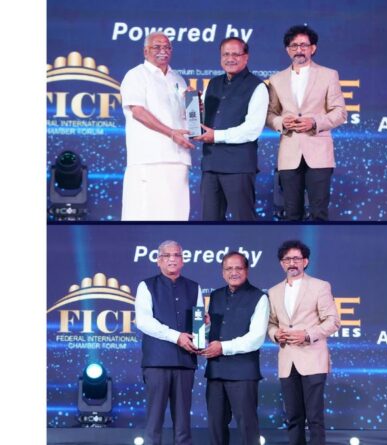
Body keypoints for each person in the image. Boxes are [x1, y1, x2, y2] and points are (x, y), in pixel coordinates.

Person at [267, 26, 347, 221]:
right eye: (294, 46)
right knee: (291, 213)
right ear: (287, 50)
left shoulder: (329, 75)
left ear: (313, 48)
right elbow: (269, 113)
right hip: (289, 152)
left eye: (303, 45)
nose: (299, 50)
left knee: (319, 212)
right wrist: (282, 122)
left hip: (318, 151)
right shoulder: (276, 79)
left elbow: (340, 112)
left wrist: (314, 122)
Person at [267, 240, 341, 445]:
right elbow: (271, 323)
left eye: (296, 259)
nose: (292, 263)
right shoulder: (273, 291)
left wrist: (307, 335)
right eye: (287, 259)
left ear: (305, 261)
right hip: (287, 361)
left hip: (312, 359)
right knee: (293, 417)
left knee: (315, 418)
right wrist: (275, 334)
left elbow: (333, 321)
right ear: (281, 263)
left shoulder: (320, 286)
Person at [134, 240, 203, 445]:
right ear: (158, 260)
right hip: (157, 363)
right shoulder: (147, 286)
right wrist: (176, 336)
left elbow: (198, 323)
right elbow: (144, 322)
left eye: (177, 255)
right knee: (154, 423)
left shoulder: (194, 287)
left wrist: (202, 333)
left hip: (185, 362)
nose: (172, 259)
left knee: (183, 425)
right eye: (167, 255)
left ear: (183, 260)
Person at [120, 32, 194, 221]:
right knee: (145, 216)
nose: (163, 51)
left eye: (167, 47)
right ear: (146, 51)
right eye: (157, 47)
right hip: (149, 159)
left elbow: (183, 117)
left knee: (177, 215)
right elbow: (138, 112)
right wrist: (171, 133)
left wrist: (194, 107)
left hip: (179, 159)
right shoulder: (136, 75)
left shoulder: (178, 79)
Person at [195, 37, 268, 221]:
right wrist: (192, 107)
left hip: (239, 167)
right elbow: (203, 121)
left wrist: (216, 136)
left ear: (246, 57)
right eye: (225, 54)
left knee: (243, 221)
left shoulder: (257, 86)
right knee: (209, 221)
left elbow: (252, 129)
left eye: (236, 54)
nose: (230, 58)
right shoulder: (213, 83)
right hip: (210, 165)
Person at [202, 252, 269, 445]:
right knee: (216, 428)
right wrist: (205, 328)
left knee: (248, 428)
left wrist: (223, 347)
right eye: (229, 268)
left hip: (243, 373)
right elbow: (212, 334)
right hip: (216, 371)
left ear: (247, 270)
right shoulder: (215, 296)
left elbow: (256, 338)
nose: (234, 272)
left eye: (238, 268)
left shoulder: (259, 297)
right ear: (222, 272)